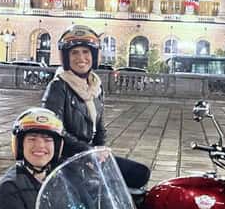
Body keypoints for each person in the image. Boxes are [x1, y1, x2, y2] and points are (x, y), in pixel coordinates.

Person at [42, 25, 151, 190]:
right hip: (68, 157)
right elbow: (54, 129)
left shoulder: (95, 86)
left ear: (94, 55)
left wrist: (101, 149)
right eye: (74, 53)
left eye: (86, 52)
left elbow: (99, 126)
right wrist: (88, 152)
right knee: (101, 189)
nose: (81, 58)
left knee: (140, 173)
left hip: (90, 152)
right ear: (66, 57)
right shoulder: (58, 86)